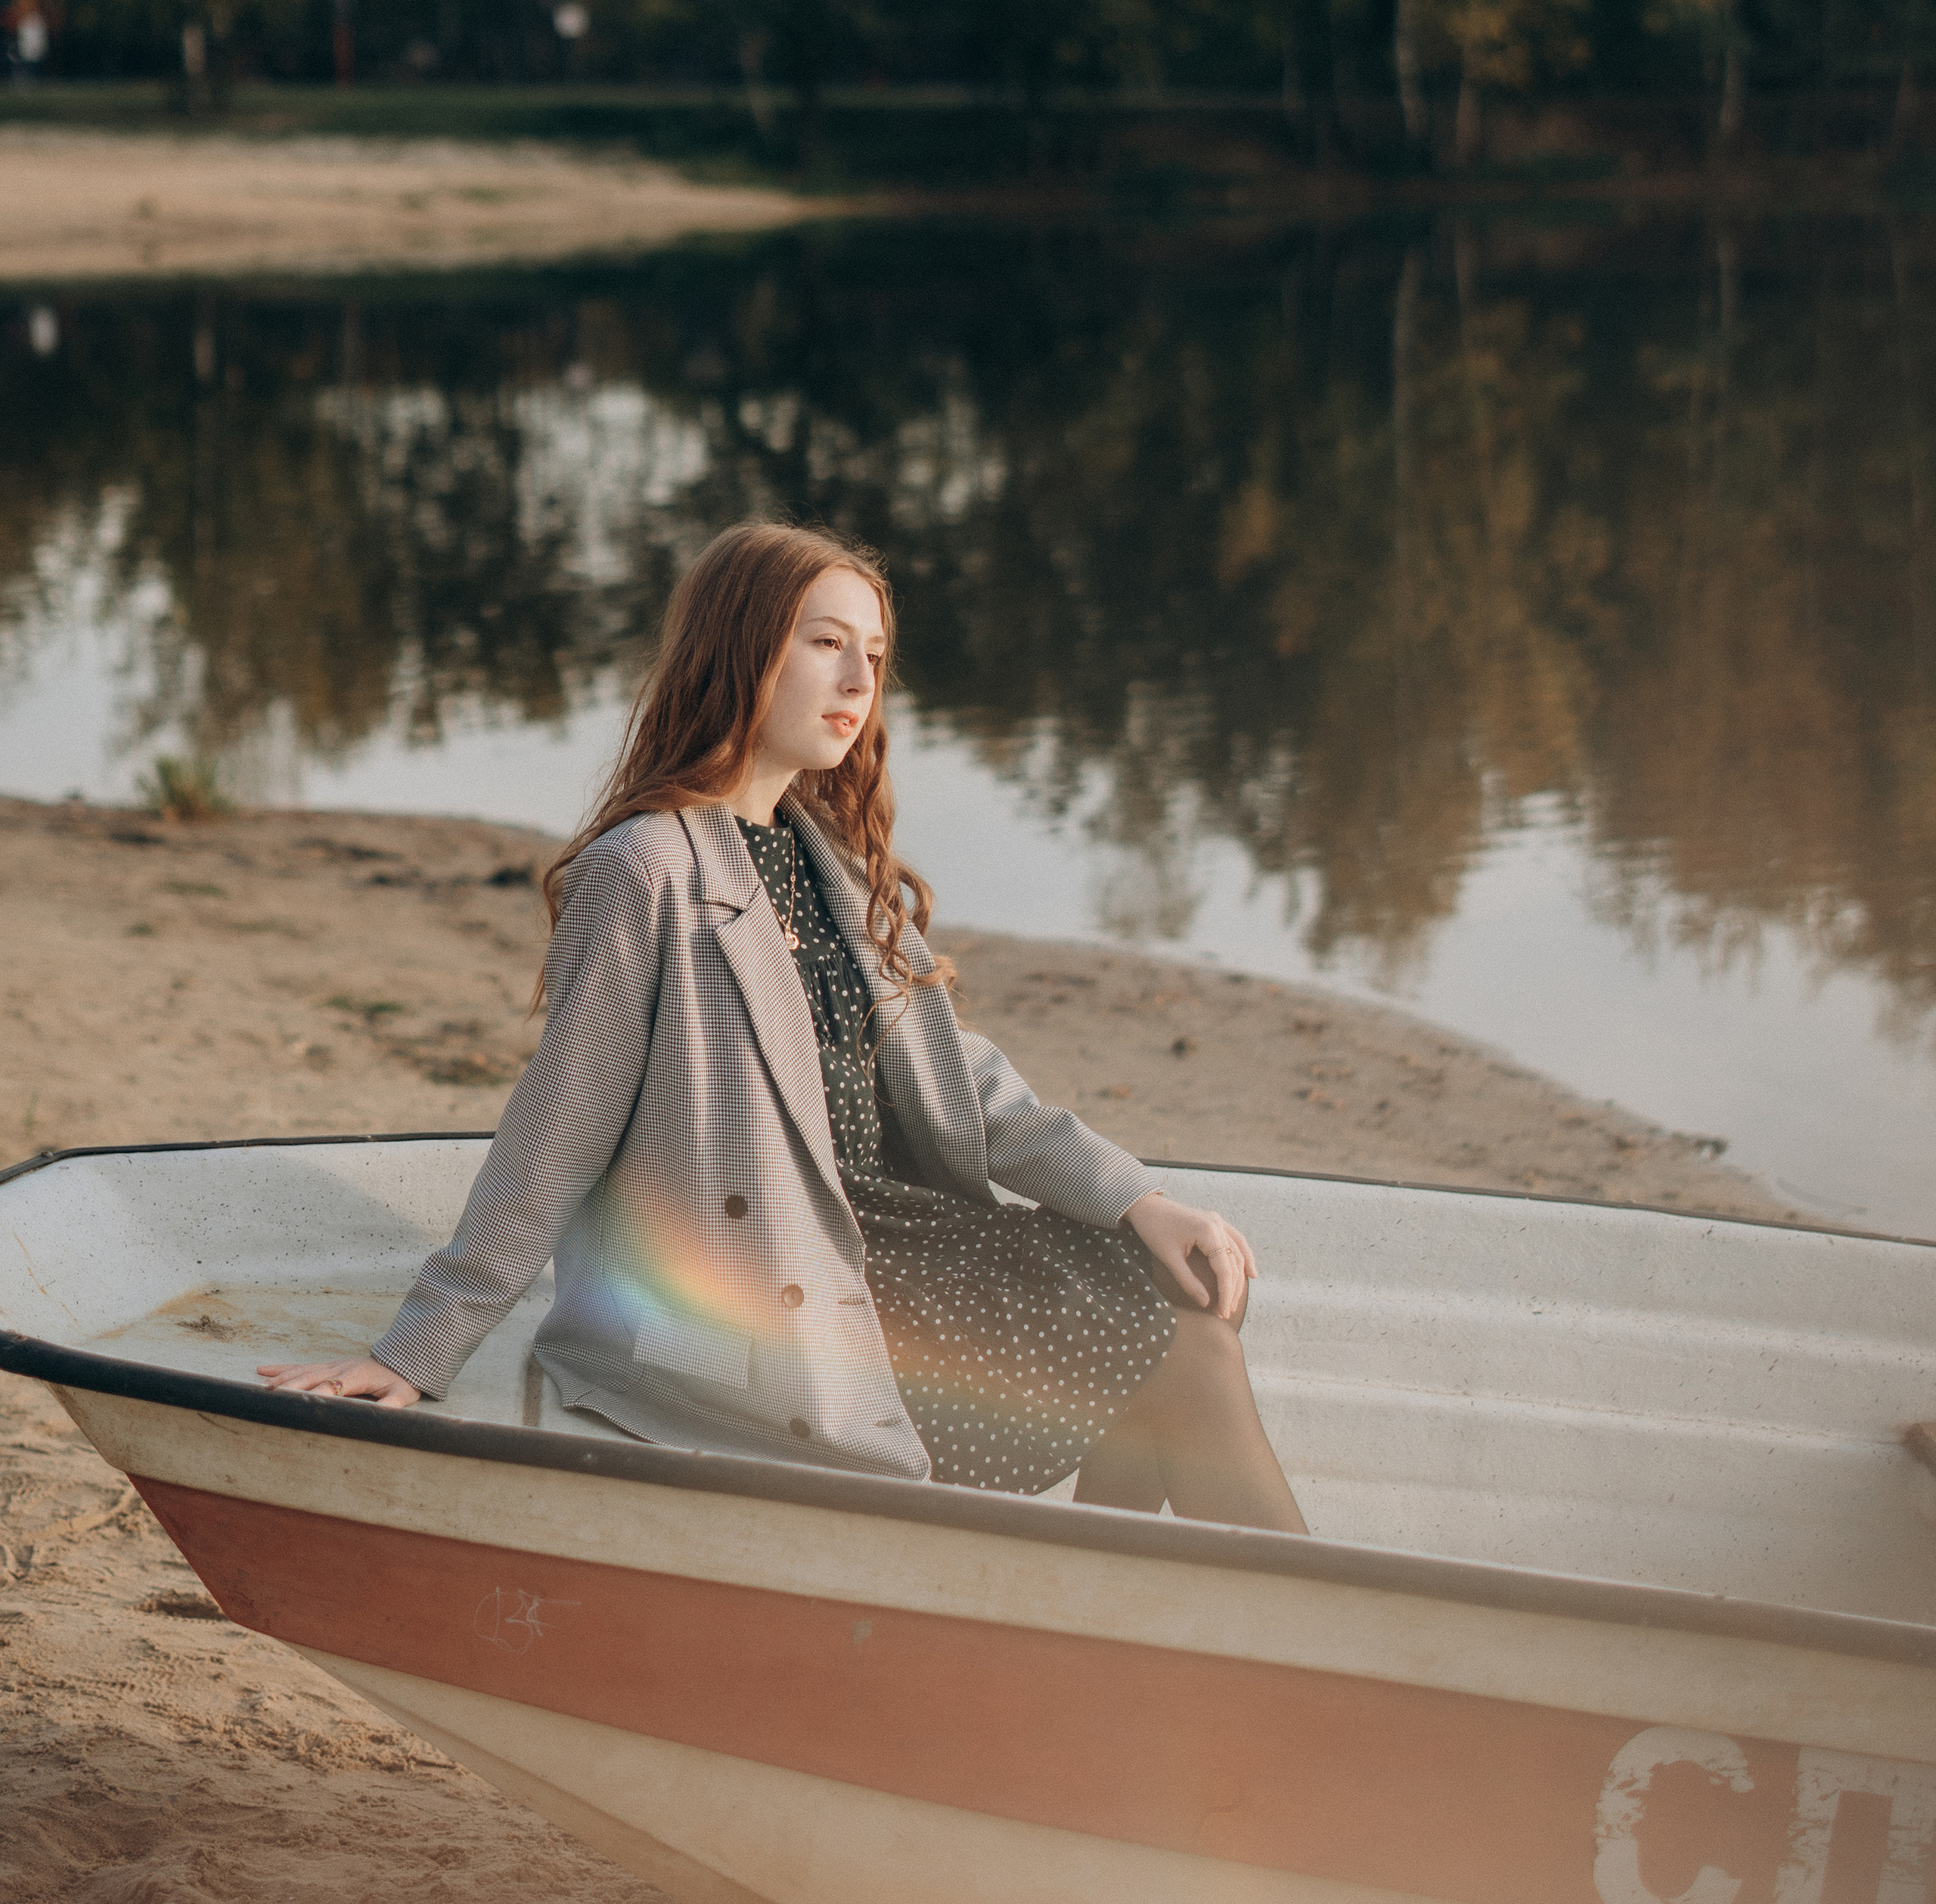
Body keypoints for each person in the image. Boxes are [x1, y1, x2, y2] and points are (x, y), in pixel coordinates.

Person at [261, 523, 1306, 1532]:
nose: (859, 683)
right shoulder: (646, 870)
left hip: (885, 1237)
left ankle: (1116, 1632)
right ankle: (1285, 1668)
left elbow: (963, 1080)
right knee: (1185, 1360)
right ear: (741, 649)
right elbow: (557, 1131)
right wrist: (418, 1349)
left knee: (1180, 1292)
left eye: (876, 656)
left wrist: (1139, 1200)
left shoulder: (824, 857)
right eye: (825, 644)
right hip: (772, 1284)